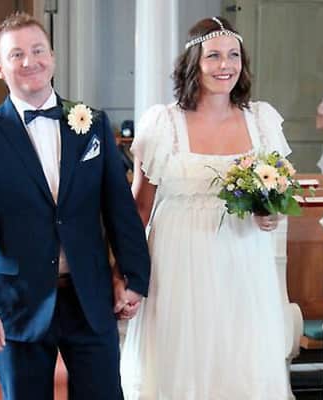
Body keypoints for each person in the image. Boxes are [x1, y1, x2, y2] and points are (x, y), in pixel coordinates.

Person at [0, 12, 150, 400]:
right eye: (17, 54)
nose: (30, 61)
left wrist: (133, 275)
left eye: (38, 50)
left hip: (89, 296)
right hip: (18, 304)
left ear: (53, 57)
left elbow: (120, 209)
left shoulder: (92, 124)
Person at [120, 16, 291, 399]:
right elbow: (140, 207)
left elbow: (276, 198)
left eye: (233, 55)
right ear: (193, 62)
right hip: (178, 260)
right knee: (183, 360)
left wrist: (270, 213)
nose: (225, 65)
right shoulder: (163, 123)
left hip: (243, 262)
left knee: (241, 357)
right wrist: (124, 271)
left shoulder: (261, 121)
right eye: (213, 55)